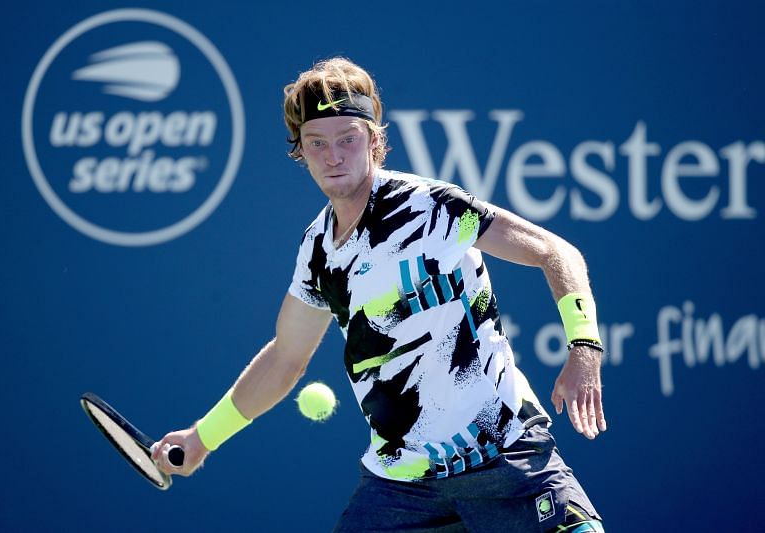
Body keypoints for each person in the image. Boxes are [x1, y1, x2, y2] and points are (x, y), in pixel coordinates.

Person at [152, 57, 606, 532]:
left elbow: (556, 253)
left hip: (506, 461)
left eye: (347, 139)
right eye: (317, 143)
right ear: (301, 152)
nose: (333, 156)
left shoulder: (434, 210)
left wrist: (584, 346)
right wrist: (202, 439)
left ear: (373, 140)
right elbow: (285, 358)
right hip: (401, 489)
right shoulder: (317, 253)